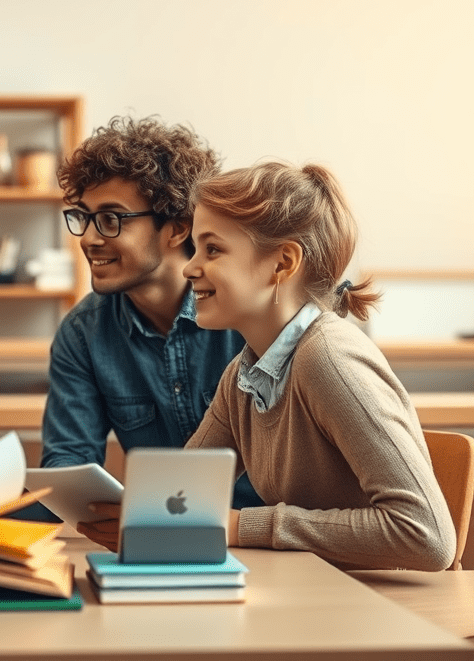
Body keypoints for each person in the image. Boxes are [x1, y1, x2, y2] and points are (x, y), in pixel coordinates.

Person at [183, 161, 454, 570]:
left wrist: (242, 526)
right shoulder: (243, 375)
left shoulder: (329, 359)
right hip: (318, 591)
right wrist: (125, 511)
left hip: (383, 609)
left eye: (212, 249)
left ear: (282, 263)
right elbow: (181, 494)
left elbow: (426, 535)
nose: (189, 267)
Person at [39, 116, 261, 549]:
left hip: (262, 543)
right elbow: (67, 463)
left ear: (177, 227)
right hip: (155, 543)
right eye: (83, 218)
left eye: (111, 219)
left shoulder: (248, 320)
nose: (88, 239)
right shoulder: (82, 333)